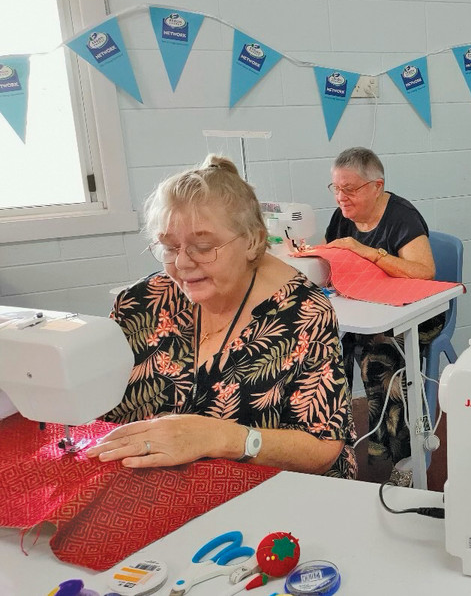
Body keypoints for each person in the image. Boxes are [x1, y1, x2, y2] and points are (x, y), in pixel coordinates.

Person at [87, 155, 356, 479]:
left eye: (202, 246)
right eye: (169, 247)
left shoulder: (303, 315)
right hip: (148, 493)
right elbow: (89, 396)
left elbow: (322, 450)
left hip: (269, 496)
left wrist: (222, 438)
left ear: (253, 240)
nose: (183, 264)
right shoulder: (140, 302)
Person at [319, 147, 442, 466]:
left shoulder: (402, 216)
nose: (341, 197)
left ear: (377, 186)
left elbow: (424, 272)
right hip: (367, 308)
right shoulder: (341, 218)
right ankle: (334, 443)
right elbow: (332, 264)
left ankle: (401, 456)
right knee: (326, 349)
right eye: (336, 188)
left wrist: (368, 252)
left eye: (350, 188)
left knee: (379, 357)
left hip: (416, 314)